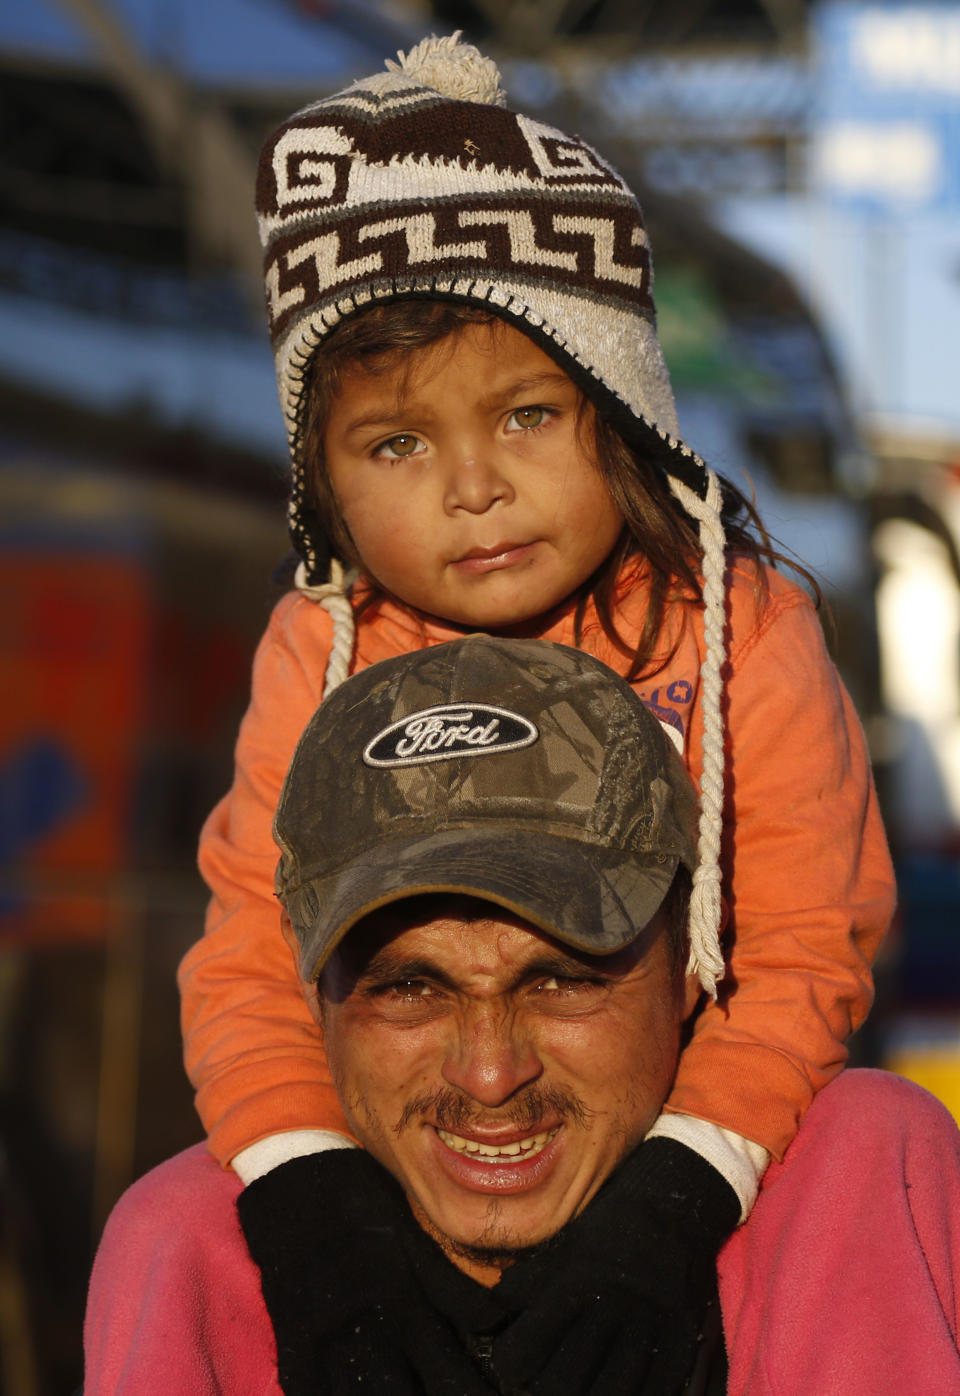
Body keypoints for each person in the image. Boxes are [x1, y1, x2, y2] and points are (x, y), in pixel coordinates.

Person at [180, 28, 894, 1306]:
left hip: (693, 1156)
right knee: (172, 1220)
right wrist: (312, 1184)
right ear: (320, 480)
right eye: (397, 443)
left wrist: (688, 1175)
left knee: (886, 1141)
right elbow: (250, 954)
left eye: (526, 414)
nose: (473, 488)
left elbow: (803, 942)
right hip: (420, 1155)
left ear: (616, 404)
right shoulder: (319, 649)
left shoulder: (743, 627)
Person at [84, 638, 960, 1395]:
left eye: (562, 982)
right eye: (409, 990)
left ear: (693, 963)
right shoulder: (198, 1251)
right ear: (314, 995)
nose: (491, 1075)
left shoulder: (851, 1195)